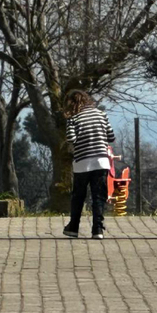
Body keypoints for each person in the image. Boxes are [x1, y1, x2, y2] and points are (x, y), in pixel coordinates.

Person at [62, 89, 115, 240]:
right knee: (98, 196)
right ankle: (98, 229)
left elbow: (71, 137)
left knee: (78, 196)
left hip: (82, 162)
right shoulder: (101, 114)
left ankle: (73, 227)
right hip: (101, 161)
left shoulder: (73, 118)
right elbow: (111, 136)